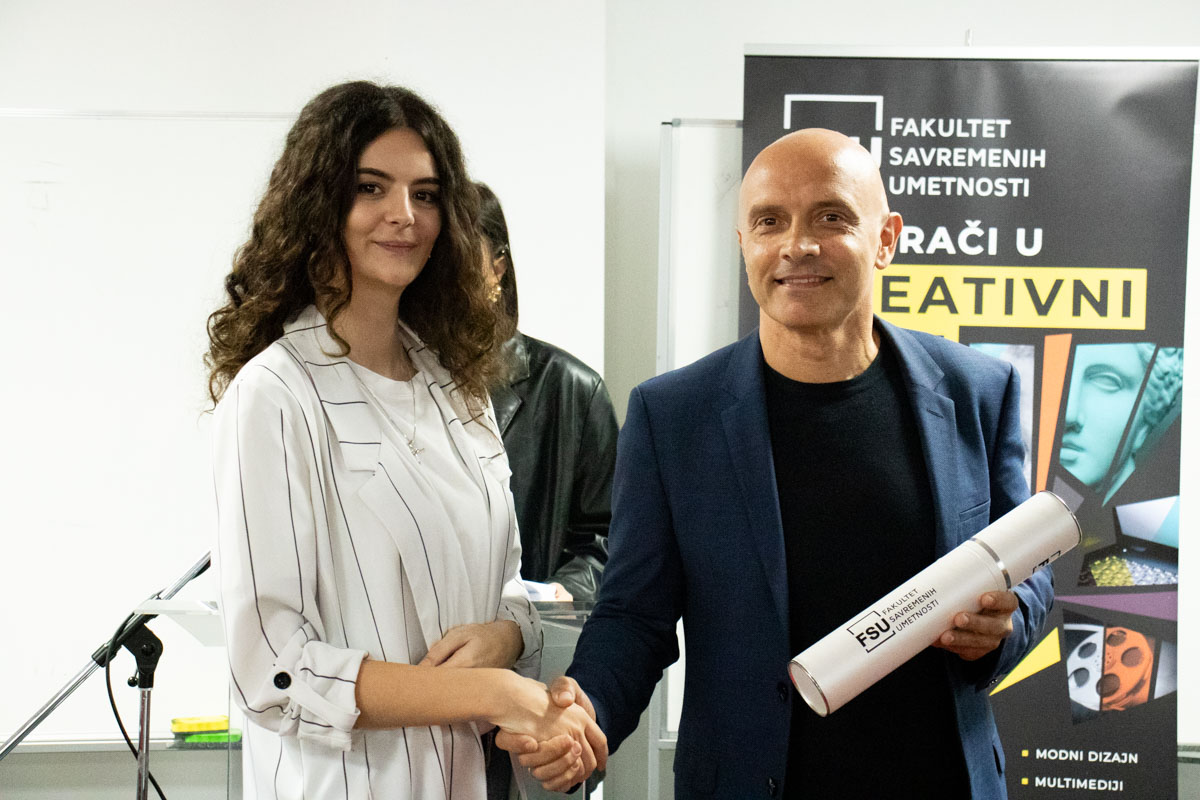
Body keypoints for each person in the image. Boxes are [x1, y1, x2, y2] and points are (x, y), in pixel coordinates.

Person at [501, 128, 1054, 798]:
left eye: (831, 217)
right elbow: (634, 614)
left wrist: (1003, 625)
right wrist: (587, 713)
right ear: (745, 245)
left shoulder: (978, 391)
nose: (798, 245)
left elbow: (1027, 573)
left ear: (886, 239)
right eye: (770, 222)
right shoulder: (672, 416)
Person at [206, 81, 604, 800]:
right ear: (317, 205)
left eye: (425, 195)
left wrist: (509, 640)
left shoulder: (457, 386)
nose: (404, 215)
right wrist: (493, 692)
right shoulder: (275, 394)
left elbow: (507, 585)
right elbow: (272, 670)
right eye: (371, 188)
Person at [476, 182, 617, 602]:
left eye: (459, 256)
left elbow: (608, 537)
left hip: (530, 634)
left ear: (498, 267)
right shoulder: (392, 381)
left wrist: (560, 592)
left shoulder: (573, 390)